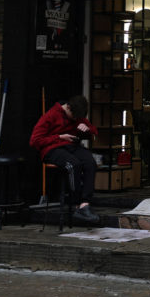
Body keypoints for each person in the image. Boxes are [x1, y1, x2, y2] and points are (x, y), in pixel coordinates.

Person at [30, 94, 100, 224]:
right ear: (68, 107)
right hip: (52, 149)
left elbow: (93, 131)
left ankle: (85, 204)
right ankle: (76, 204)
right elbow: (35, 141)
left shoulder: (77, 115)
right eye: (73, 117)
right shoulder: (51, 115)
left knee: (90, 163)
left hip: (71, 146)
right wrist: (59, 137)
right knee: (74, 165)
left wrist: (88, 130)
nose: (75, 120)